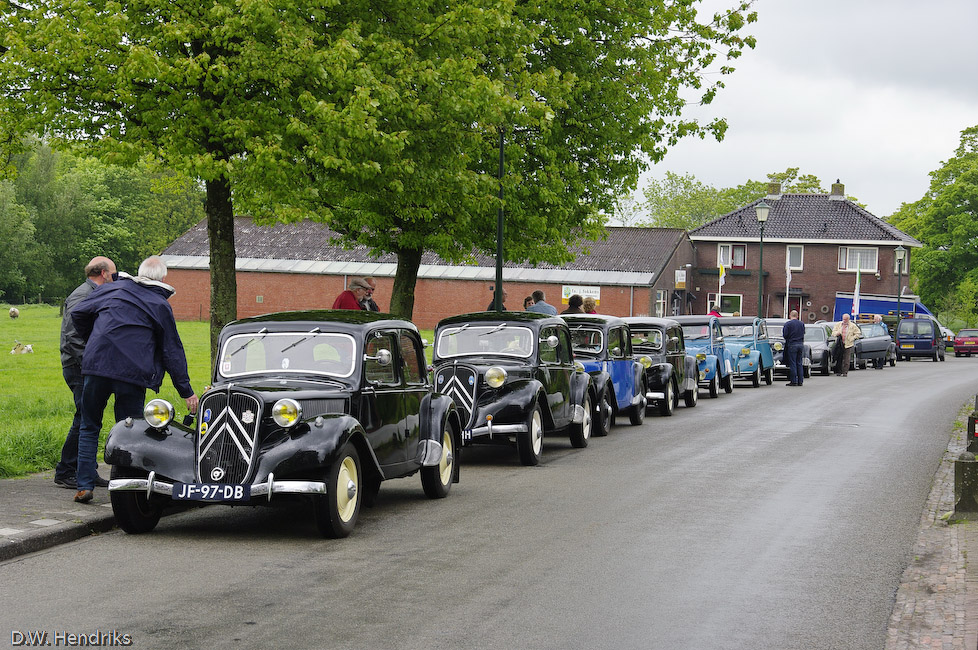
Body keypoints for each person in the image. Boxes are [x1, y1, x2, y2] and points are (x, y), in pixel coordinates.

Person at [70, 256, 198, 503]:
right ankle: (126, 491)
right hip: (132, 373)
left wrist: (95, 340)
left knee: (89, 425)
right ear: (163, 278)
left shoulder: (111, 290)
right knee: (130, 431)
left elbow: (78, 313)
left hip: (97, 367)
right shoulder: (159, 304)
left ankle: (84, 485)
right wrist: (186, 391)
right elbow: (171, 350)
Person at [54, 256, 117, 490]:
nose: (115, 278)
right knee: (85, 417)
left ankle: (87, 471)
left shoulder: (92, 293)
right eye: (113, 274)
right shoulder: (82, 295)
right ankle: (66, 470)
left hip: (85, 365)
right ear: (104, 273)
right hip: (79, 366)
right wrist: (91, 364)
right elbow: (72, 337)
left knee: (91, 417)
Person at [782, 309, 806, 387]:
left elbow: (785, 335)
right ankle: (800, 381)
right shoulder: (801, 324)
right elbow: (803, 333)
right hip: (800, 344)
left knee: (793, 363)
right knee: (799, 363)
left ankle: (793, 381)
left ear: (790, 315)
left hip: (792, 344)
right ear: (797, 316)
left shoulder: (788, 324)